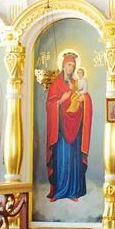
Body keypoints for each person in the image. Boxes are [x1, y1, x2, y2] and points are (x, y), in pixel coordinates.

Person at [46, 53, 93, 202]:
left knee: (73, 157)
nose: (71, 68)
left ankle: (73, 191)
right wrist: (61, 100)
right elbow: (49, 106)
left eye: (73, 65)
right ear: (63, 65)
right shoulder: (55, 84)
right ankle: (59, 191)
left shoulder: (76, 83)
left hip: (76, 125)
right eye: (69, 65)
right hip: (60, 128)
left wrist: (83, 99)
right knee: (61, 158)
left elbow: (87, 98)